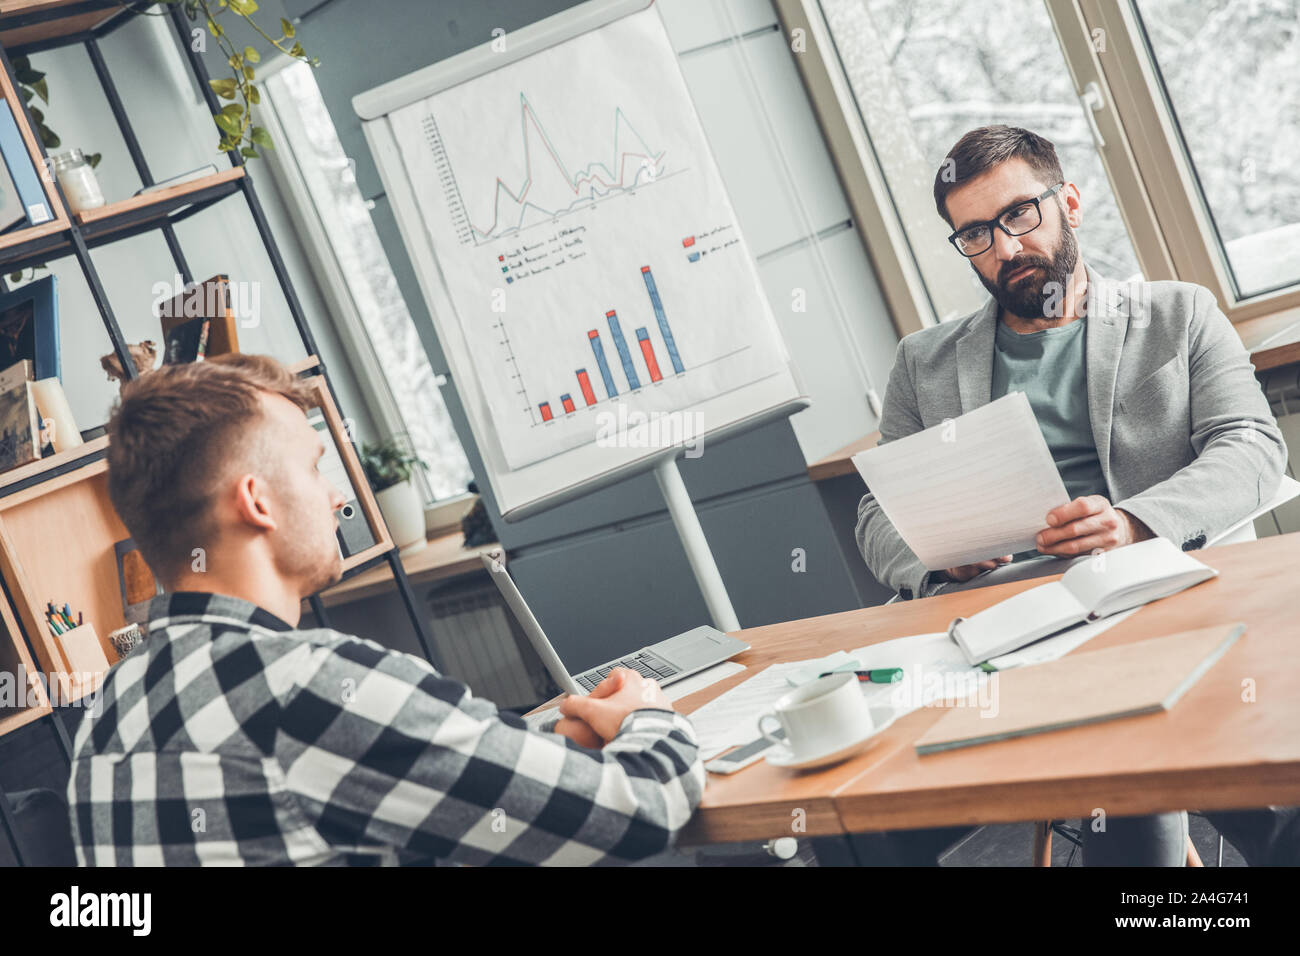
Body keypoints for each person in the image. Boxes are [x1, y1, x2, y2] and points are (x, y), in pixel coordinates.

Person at [65, 354, 704, 866]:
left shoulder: (105, 718)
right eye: (315, 468)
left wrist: (526, 758)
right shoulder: (307, 689)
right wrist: (649, 717)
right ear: (257, 502)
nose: (336, 495)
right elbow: (639, 810)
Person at [854, 125, 1293, 866]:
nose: (1003, 247)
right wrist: (940, 559)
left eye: (1019, 214)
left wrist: (1130, 521)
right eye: (974, 234)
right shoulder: (921, 365)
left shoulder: (1179, 315)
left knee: (1237, 789)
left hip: (1157, 601)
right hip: (1001, 622)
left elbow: (1251, 447)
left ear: (1070, 203)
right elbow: (875, 512)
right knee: (863, 815)